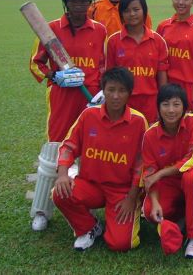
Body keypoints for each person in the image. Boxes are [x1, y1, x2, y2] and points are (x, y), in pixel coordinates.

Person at [29, 0, 107, 231]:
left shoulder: (99, 30)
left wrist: (103, 92)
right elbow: (35, 64)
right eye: (74, 0)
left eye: (85, 1)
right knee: (54, 153)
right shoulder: (49, 30)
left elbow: (105, 65)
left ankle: (82, 206)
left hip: (90, 100)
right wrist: (54, 76)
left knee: (89, 155)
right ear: (66, 2)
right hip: (62, 101)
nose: (80, 6)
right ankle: (41, 210)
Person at [52, 67, 148, 252]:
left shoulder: (138, 121)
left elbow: (141, 164)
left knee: (121, 244)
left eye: (122, 91)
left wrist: (131, 197)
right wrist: (63, 174)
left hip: (121, 191)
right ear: (103, 90)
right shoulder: (88, 115)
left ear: (130, 93)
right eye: (111, 90)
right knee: (60, 192)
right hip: (90, 185)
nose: (115, 96)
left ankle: (127, 214)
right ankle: (89, 227)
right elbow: (68, 146)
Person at [141, 84, 193, 258]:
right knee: (149, 211)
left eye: (176, 104)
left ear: (185, 107)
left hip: (191, 180)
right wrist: (154, 201)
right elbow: (149, 175)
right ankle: (181, 220)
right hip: (168, 186)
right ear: (158, 107)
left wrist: (161, 173)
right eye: (165, 104)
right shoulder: (150, 135)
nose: (171, 110)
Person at [105, 0, 168, 123]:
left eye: (136, 9)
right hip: (124, 101)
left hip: (151, 101)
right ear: (121, 14)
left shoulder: (158, 40)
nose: (132, 14)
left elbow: (162, 77)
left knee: (148, 140)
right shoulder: (114, 41)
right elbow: (109, 77)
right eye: (127, 11)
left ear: (144, 11)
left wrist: (162, 103)